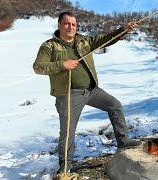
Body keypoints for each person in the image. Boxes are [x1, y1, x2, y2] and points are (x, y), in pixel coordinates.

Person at [33, 11, 141, 173]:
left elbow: (105, 40)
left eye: (74, 24)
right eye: (67, 23)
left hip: (91, 90)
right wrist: (62, 64)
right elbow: (38, 67)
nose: (71, 27)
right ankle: (65, 166)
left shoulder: (84, 40)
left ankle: (123, 141)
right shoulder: (49, 46)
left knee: (115, 105)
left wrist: (123, 30)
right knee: (68, 131)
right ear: (59, 25)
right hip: (69, 94)